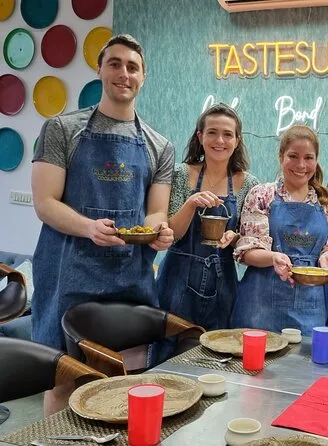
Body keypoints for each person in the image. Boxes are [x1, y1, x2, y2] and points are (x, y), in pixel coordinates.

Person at [31, 34, 174, 414]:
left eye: (132, 67)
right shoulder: (62, 129)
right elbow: (45, 203)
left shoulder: (160, 145)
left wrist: (158, 231)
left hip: (130, 279)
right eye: (114, 64)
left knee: (126, 379)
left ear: (143, 76)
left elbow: (155, 212)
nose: (123, 73)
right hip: (68, 277)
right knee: (63, 378)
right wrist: (88, 228)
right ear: (99, 69)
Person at [232, 125, 328, 334]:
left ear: (316, 160)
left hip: (310, 306)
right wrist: (273, 257)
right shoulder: (262, 195)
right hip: (260, 306)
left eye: (308, 158)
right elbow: (248, 252)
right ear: (281, 156)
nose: (301, 165)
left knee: (306, 355)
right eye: (293, 156)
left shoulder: (327, 203)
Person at [157, 103, 258, 331]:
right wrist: (191, 203)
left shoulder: (249, 184)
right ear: (200, 136)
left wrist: (234, 237)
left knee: (219, 346)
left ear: (237, 140)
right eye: (212, 132)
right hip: (176, 280)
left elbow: (250, 241)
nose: (219, 141)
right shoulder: (181, 173)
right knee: (170, 345)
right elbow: (172, 234)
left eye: (227, 134)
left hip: (224, 283)